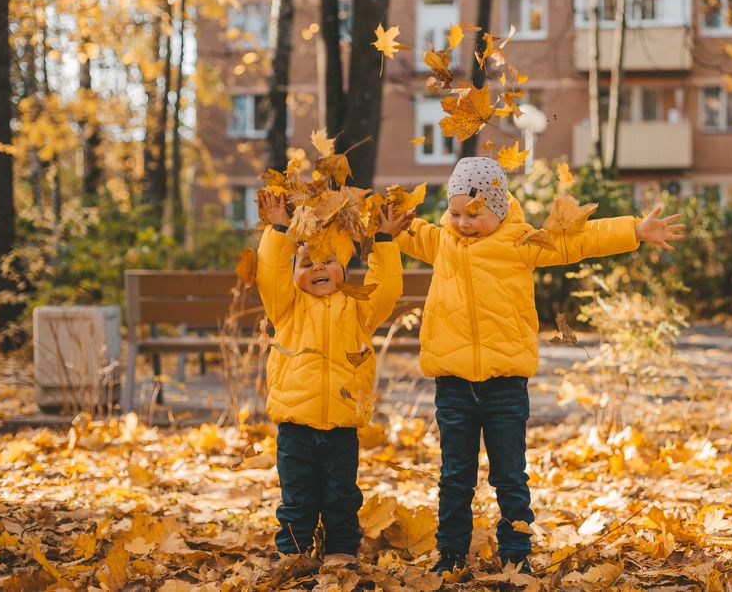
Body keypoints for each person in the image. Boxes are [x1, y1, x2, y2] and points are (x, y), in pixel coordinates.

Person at [394, 157, 685, 574]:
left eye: (473, 214)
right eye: (455, 213)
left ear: (498, 207)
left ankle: (516, 556)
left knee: (510, 477)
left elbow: (576, 241)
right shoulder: (441, 242)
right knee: (455, 477)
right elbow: (400, 230)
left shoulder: (521, 242)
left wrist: (634, 230)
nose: (462, 223)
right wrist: (367, 216)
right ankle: (451, 556)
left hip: (505, 386)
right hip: (454, 384)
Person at [256, 190, 411, 561]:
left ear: (344, 268)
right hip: (295, 431)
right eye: (306, 263)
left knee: (342, 502)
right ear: (293, 273)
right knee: (297, 504)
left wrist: (384, 242)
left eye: (328, 260)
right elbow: (269, 273)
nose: (318, 269)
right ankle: (293, 559)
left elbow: (386, 289)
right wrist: (279, 229)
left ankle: (342, 559)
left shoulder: (358, 306)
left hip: (342, 429)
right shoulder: (287, 307)